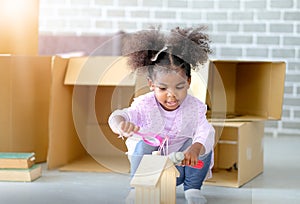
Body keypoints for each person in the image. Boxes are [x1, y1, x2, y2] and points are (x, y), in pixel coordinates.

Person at [108, 26, 215, 204]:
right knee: (143, 145)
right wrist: (121, 124)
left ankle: (193, 189)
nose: (171, 95)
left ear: (188, 82)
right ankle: (138, 188)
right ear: (151, 84)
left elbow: (205, 131)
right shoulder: (145, 105)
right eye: (163, 88)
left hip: (182, 165)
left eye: (179, 87)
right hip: (153, 168)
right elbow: (118, 116)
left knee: (204, 142)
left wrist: (196, 147)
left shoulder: (194, 107)